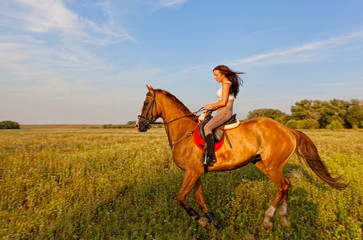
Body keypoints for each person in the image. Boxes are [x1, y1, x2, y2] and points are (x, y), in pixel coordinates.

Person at [203, 65, 244, 165]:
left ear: (223, 74)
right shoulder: (223, 85)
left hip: (225, 112)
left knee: (207, 128)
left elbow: (223, 103)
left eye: (216, 75)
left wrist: (209, 105)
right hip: (220, 111)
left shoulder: (226, 84)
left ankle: (211, 156)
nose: (215, 77)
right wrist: (211, 109)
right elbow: (220, 102)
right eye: (214, 75)